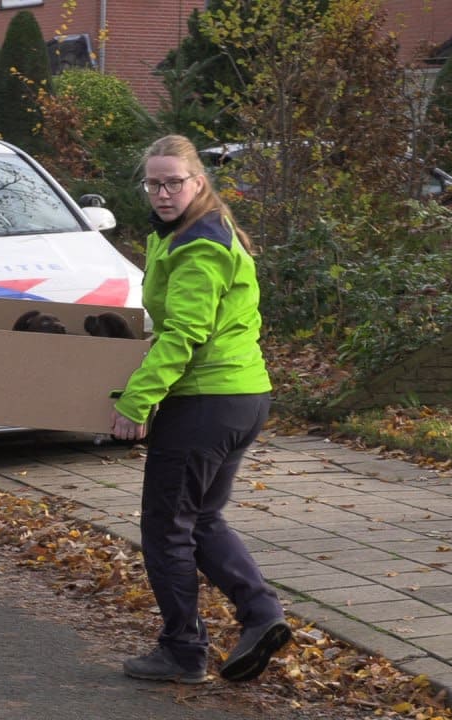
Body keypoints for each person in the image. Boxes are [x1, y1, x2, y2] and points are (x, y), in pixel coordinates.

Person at [111, 134, 290, 684]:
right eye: (153, 183)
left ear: (198, 182)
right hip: (239, 398)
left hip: (207, 402)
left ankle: (183, 650)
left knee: (166, 528)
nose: (162, 193)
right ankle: (261, 616)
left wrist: (137, 400)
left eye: (173, 182)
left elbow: (185, 333)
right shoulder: (184, 234)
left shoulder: (199, 246)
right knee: (201, 518)